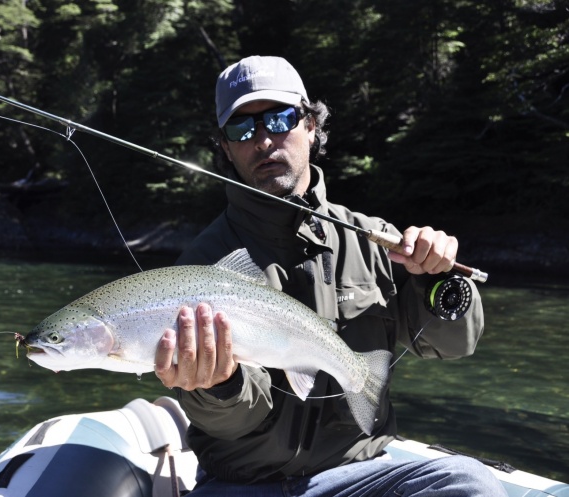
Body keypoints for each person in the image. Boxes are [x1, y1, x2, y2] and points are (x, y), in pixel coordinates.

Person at [154, 56, 507, 496]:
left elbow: (453, 345)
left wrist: (439, 279)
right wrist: (217, 387)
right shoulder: (201, 267)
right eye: (241, 129)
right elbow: (237, 422)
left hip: (358, 477)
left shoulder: (377, 240)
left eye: (279, 118)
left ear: (311, 126)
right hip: (242, 483)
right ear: (226, 148)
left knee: (470, 482)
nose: (263, 140)